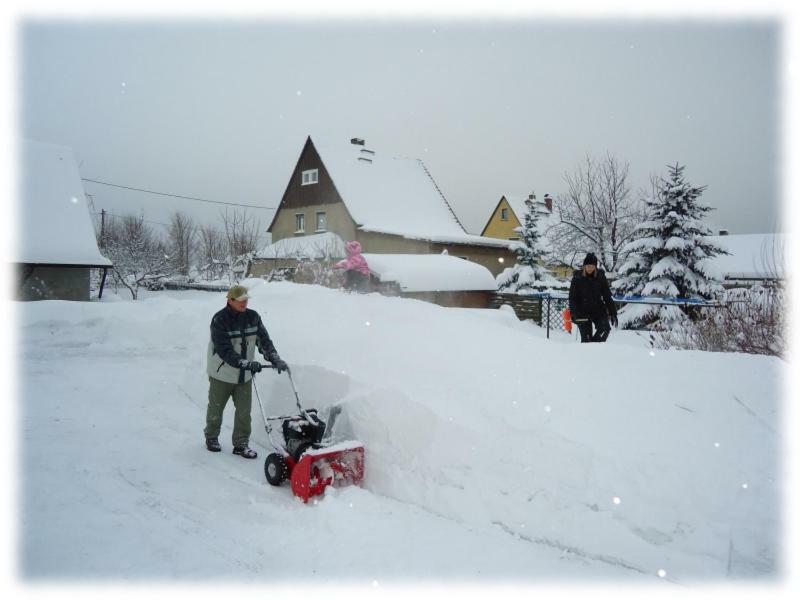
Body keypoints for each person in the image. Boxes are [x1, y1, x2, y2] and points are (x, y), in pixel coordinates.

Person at [204, 284, 289, 458]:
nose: (244, 303)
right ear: (230, 300)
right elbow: (224, 350)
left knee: (244, 412)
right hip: (222, 374)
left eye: (246, 299)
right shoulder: (220, 320)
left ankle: (241, 444)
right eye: (241, 300)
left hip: (245, 375)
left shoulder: (253, 317)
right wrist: (244, 363)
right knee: (216, 409)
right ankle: (212, 437)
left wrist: (275, 358)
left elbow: (264, 342)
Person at [568, 252, 618, 343]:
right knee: (586, 340)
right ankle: (588, 349)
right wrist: (574, 313)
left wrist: (613, 312)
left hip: (598, 310)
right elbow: (572, 298)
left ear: (595, 266)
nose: (589, 268)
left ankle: (595, 349)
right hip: (582, 312)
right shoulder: (577, 278)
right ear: (584, 266)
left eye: (592, 266)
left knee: (605, 330)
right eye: (587, 266)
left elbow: (607, 296)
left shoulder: (600, 277)